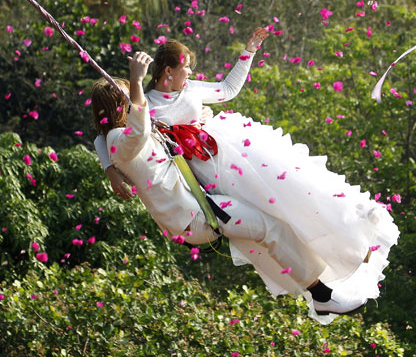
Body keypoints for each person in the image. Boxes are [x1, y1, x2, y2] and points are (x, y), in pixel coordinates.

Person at [94, 28, 399, 322]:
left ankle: (326, 282)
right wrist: (136, 84)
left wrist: (111, 167)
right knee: (270, 226)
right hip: (196, 214)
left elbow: (118, 132)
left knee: (276, 218)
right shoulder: (125, 136)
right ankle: (324, 288)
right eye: (128, 97)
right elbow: (133, 129)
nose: (134, 99)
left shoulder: (123, 135)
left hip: (203, 203)